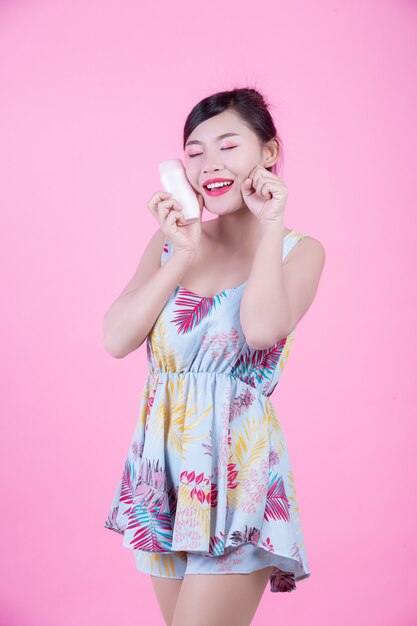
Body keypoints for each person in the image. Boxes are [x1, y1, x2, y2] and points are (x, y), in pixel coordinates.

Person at [103, 87, 325, 626]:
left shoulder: (300, 249)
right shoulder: (167, 243)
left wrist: (270, 224)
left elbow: (262, 328)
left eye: (228, 146)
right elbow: (116, 338)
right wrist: (181, 252)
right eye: (195, 151)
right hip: (163, 472)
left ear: (268, 154)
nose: (209, 164)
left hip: (237, 476)